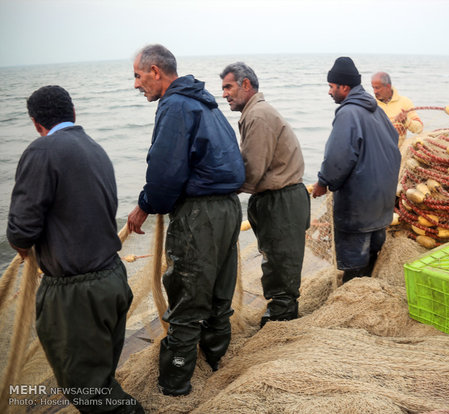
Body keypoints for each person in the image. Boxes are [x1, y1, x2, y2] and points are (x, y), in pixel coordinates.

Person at [6, 85, 143, 413]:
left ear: (37, 124)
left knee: (87, 390)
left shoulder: (42, 150)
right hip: (112, 279)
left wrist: (22, 245)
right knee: (102, 375)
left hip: (76, 294)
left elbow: (21, 231)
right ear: (74, 114)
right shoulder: (95, 148)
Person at [127, 44, 245, 396]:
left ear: (155, 71)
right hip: (228, 209)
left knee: (186, 300)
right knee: (219, 296)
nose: (136, 84)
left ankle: (174, 388)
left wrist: (146, 205)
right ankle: (217, 363)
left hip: (201, 215)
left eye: (137, 75)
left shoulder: (175, 105)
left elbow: (165, 173)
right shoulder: (203, 101)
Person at [220, 62, 310, 327]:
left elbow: (251, 171)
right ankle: (283, 312)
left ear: (246, 84)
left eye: (229, 87)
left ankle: (282, 322)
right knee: (278, 260)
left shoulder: (257, 115)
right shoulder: (257, 112)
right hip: (282, 199)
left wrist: (215, 191)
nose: (224, 94)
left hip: (281, 201)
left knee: (280, 264)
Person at [312, 57, 401, 284]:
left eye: (331, 87)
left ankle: (352, 308)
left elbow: (337, 158)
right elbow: (395, 142)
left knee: (354, 268)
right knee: (371, 263)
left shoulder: (348, 113)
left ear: (344, 87)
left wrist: (323, 182)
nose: (329, 92)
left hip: (358, 210)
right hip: (381, 207)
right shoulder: (376, 111)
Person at [371, 71, 423, 147]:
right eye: (373, 88)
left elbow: (419, 129)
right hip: (378, 151)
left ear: (388, 87)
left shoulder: (405, 102)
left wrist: (406, 121)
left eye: (377, 88)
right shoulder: (371, 105)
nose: (375, 91)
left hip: (399, 152)